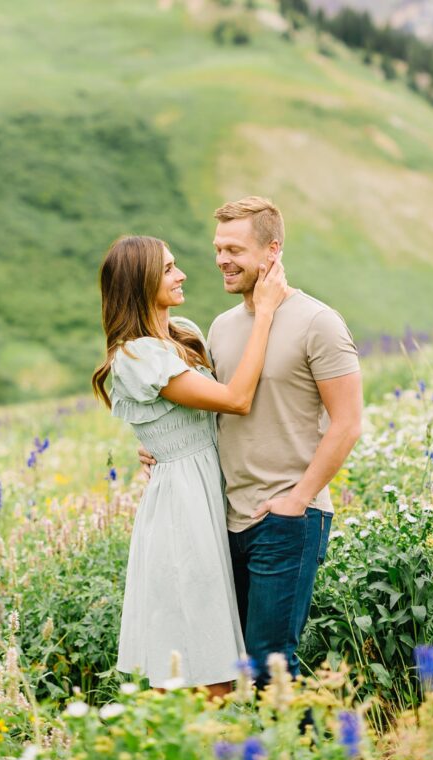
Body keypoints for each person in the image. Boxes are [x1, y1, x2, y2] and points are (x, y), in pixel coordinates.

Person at [139, 196, 363, 688]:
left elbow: (348, 422)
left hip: (286, 518)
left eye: (235, 249)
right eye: (218, 248)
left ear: (272, 252)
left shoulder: (317, 322)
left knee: (268, 662)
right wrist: (163, 444)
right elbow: (220, 411)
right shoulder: (220, 327)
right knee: (230, 663)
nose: (222, 259)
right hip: (225, 518)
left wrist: (298, 500)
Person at [91, 234, 287, 698]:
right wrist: (266, 312)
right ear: (141, 284)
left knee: (213, 636)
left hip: (212, 491)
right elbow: (236, 399)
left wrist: (164, 441)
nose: (181, 276)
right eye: (168, 269)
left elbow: (200, 418)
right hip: (183, 507)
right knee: (200, 651)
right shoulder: (135, 356)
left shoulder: (183, 333)